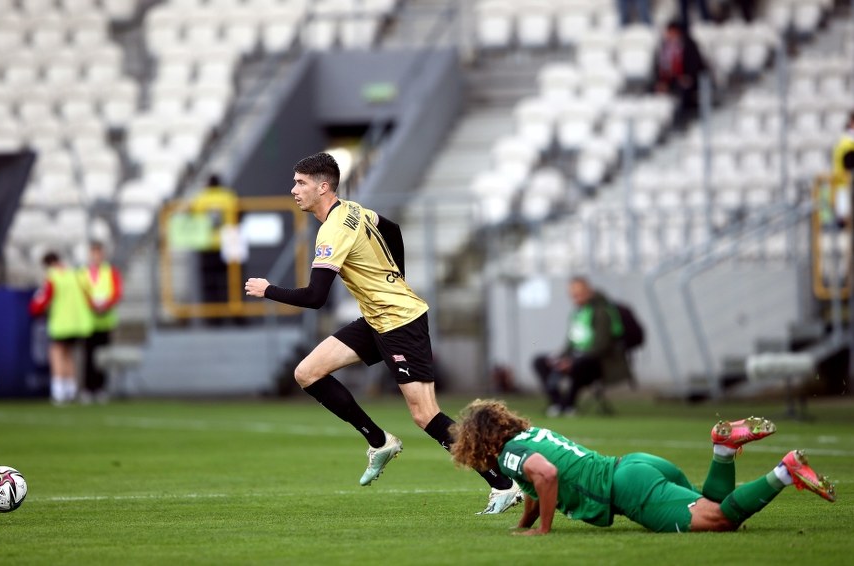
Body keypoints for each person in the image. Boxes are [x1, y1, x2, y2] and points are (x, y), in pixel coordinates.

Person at [244, 152, 523, 514]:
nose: (293, 190)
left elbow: (315, 297)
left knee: (425, 415)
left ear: (323, 186)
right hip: (377, 318)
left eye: (301, 183)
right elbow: (392, 229)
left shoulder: (333, 229)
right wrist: (396, 278)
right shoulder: (353, 209)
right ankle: (379, 441)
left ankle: (504, 484)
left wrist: (269, 290)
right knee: (307, 373)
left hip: (400, 322)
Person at [450, 399, 836, 536]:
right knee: (709, 503)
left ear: (479, 441)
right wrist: (523, 528)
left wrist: (545, 532)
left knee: (721, 520)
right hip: (635, 465)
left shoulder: (508, 454)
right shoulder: (531, 434)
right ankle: (722, 449)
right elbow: (535, 489)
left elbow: (546, 476)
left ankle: (786, 471)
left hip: (628, 490)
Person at [532, 276, 631, 417]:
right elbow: (571, 343)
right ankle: (557, 403)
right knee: (540, 361)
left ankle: (569, 405)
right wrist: (559, 358)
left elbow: (601, 346)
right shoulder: (577, 313)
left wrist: (571, 361)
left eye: (579, 293)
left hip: (598, 363)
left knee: (579, 363)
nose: (576, 297)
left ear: (589, 292)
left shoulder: (601, 312)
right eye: (573, 294)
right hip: (576, 358)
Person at [29, 251, 93, 405]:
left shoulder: (53, 277)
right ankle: (70, 390)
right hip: (77, 323)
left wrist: (34, 309)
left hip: (61, 323)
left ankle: (59, 391)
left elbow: (42, 300)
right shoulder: (75, 274)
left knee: (56, 353)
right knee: (69, 355)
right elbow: (88, 295)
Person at [79, 241, 122, 403]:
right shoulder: (82, 273)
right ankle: (88, 389)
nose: (96, 256)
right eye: (93, 253)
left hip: (106, 320)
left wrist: (105, 305)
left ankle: (101, 388)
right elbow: (81, 293)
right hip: (88, 321)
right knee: (88, 356)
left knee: (103, 357)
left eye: (99, 253)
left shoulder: (110, 272)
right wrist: (92, 305)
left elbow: (117, 292)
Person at [190, 174, 238, 308]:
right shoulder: (229, 197)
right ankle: (234, 312)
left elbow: (192, 217)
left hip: (207, 245)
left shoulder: (200, 199)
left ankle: (213, 316)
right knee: (231, 282)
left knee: (209, 282)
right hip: (228, 244)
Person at [653, 20, 708, 128]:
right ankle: (662, 123)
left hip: (689, 78)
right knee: (656, 90)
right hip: (671, 79)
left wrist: (688, 77)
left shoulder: (689, 44)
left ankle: (683, 120)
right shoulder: (664, 46)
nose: (669, 35)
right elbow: (660, 66)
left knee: (684, 89)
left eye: (671, 32)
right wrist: (661, 81)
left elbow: (695, 63)